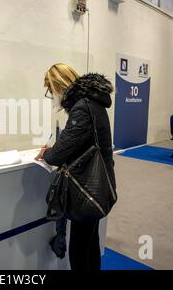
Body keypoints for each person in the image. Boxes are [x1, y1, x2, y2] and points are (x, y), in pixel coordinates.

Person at [36, 63, 116, 271]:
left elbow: (58, 155)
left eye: (50, 91)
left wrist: (46, 152)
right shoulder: (93, 103)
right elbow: (76, 142)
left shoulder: (82, 107)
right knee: (90, 245)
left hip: (87, 189)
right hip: (98, 186)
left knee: (80, 249)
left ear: (59, 86)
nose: (51, 96)